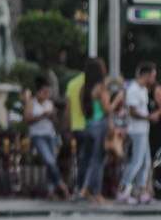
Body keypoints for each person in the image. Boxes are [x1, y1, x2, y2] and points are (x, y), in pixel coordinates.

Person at [75, 58, 118, 204]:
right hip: (100, 125)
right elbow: (107, 109)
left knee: (88, 159)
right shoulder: (101, 88)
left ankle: (85, 189)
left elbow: (82, 110)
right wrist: (117, 101)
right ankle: (95, 192)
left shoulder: (84, 89)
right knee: (98, 162)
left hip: (88, 125)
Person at [118, 62, 159, 204]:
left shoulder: (143, 90)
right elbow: (133, 111)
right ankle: (123, 189)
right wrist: (148, 117)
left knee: (146, 162)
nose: (154, 80)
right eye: (153, 76)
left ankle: (142, 192)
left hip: (144, 129)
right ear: (147, 76)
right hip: (136, 130)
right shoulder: (134, 89)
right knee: (136, 161)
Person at [23, 76, 69, 200]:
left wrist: (52, 116)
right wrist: (42, 115)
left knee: (52, 163)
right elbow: (27, 119)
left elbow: (55, 122)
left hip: (50, 135)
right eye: (44, 92)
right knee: (49, 161)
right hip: (38, 136)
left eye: (48, 93)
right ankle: (60, 184)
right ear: (38, 92)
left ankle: (51, 190)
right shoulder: (31, 103)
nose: (46, 95)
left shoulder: (50, 104)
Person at [65, 69, 88, 198]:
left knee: (81, 159)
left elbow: (68, 108)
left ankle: (80, 187)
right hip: (87, 125)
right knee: (87, 160)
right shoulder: (91, 83)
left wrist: (68, 127)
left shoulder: (72, 83)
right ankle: (82, 187)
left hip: (76, 126)